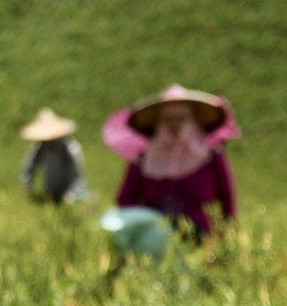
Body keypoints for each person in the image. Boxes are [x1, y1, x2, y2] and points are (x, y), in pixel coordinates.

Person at [114, 84, 237, 241]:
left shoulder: (210, 156)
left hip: (202, 238)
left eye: (180, 118)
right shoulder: (144, 159)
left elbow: (227, 199)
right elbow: (125, 199)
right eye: (168, 119)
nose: (174, 125)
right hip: (154, 239)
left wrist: (226, 236)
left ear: (192, 119)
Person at [19, 108, 88, 204]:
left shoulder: (70, 148)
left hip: (71, 194)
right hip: (50, 192)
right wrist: (27, 186)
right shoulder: (41, 147)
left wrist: (70, 196)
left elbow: (77, 177)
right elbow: (29, 165)